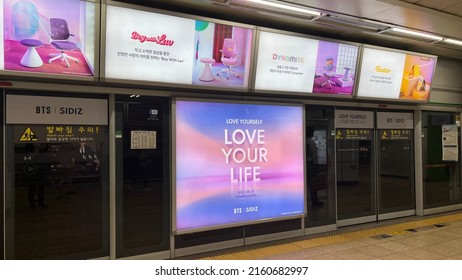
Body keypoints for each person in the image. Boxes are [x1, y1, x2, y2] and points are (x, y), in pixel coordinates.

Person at [307, 127, 324, 207]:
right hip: (311, 165)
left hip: (306, 164)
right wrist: (316, 165)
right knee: (313, 183)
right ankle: (315, 201)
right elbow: (314, 155)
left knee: (307, 183)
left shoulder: (303, 141)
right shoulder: (311, 142)